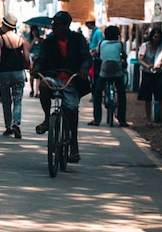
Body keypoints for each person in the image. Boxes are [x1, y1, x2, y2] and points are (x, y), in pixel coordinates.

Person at [33, 11, 92, 163]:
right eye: (53, 24)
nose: (54, 27)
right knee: (44, 86)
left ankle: (74, 145)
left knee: (72, 111)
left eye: (57, 25)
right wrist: (36, 68)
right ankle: (47, 119)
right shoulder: (48, 42)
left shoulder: (78, 40)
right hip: (54, 78)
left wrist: (84, 68)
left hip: (72, 80)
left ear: (66, 26)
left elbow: (86, 57)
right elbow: (42, 59)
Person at [0, 13, 31, 138]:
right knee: (17, 99)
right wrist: (28, 67)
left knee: (6, 100)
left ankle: (8, 126)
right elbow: (26, 57)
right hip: (18, 72)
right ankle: (16, 123)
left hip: (3, 73)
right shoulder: (22, 39)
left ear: (4, 25)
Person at [88, 25, 128, 127]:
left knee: (97, 93)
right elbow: (123, 55)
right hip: (117, 73)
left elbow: (95, 53)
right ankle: (122, 119)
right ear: (117, 35)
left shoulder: (102, 44)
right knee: (121, 94)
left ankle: (97, 119)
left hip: (104, 73)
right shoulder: (120, 44)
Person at [137, 27, 162, 128]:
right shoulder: (145, 46)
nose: (156, 39)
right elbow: (140, 59)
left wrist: (161, 63)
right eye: (155, 37)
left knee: (160, 97)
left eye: (158, 37)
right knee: (148, 98)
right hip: (147, 73)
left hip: (157, 73)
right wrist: (147, 65)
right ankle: (149, 120)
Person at [28, 25, 43, 97]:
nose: (34, 32)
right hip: (32, 57)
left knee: (38, 75)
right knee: (31, 76)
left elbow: (42, 50)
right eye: (33, 31)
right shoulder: (30, 39)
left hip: (39, 58)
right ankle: (32, 89)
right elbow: (28, 49)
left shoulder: (41, 40)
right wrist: (34, 40)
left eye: (35, 30)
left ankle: (37, 92)